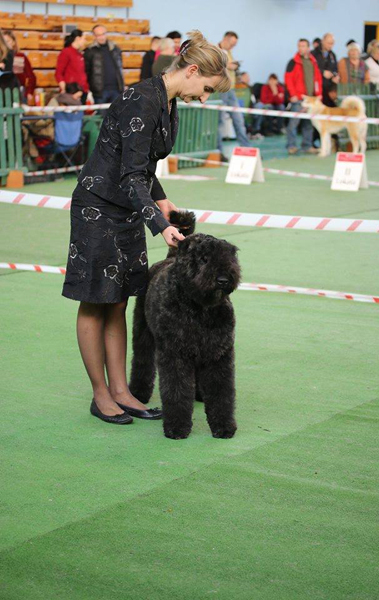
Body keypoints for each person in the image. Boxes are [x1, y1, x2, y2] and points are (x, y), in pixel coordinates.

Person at [61, 30, 231, 425]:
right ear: (191, 71)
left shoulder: (166, 101)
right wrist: (160, 224)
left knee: (119, 299)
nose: (204, 98)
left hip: (126, 207)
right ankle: (101, 395)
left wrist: (163, 199)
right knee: (96, 300)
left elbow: (142, 165)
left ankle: (123, 391)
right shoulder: (142, 100)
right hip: (98, 208)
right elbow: (128, 173)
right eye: (205, 89)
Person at [284, 38, 322, 155]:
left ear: (308, 48)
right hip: (298, 98)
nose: (301, 48)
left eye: (303, 46)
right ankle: (291, 145)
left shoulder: (313, 62)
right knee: (293, 123)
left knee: (308, 124)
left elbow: (318, 79)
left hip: (311, 99)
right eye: (299, 46)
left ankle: (307, 145)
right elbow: (288, 79)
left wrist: (319, 94)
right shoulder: (293, 62)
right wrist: (292, 95)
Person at [217, 31, 250, 160]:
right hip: (219, 90)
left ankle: (247, 149)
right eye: (232, 43)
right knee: (219, 122)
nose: (233, 46)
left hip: (231, 90)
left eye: (235, 44)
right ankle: (218, 152)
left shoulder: (229, 52)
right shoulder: (216, 50)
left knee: (239, 119)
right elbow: (219, 64)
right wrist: (230, 66)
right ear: (225, 38)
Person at [84, 24, 124, 105]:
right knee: (101, 117)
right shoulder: (89, 51)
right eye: (98, 35)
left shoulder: (115, 49)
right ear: (94, 36)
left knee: (116, 116)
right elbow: (86, 71)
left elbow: (119, 68)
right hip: (99, 92)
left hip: (116, 89)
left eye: (103, 34)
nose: (101, 37)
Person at [3, 30, 36, 102]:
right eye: (3, 42)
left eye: (8, 41)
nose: (5, 44)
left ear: (13, 42)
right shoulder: (1, 58)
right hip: (3, 92)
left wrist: (29, 92)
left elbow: (31, 76)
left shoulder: (21, 57)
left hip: (19, 92)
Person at [56, 29, 89, 101]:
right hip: (72, 92)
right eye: (84, 39)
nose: (85, 41)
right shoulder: (66, 52)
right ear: (78, 38)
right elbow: (59, 73)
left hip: (82, 90)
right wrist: (64, 89)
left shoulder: (79, 54)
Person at [312, 33, 339, 106]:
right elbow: (310, 69)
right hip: (316, 90)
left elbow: (335, 69)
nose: (330, 45)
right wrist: (322, 72)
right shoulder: (313, 54)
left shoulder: (332, 55)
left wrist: (335, 76)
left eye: (332, 43)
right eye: (328, 43)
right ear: (322, 41)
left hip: (329, 90)